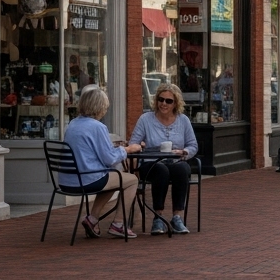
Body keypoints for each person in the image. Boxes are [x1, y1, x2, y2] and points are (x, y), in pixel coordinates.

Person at [64, 88, 140, 239]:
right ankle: (118, 224)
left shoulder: (72, 124)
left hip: (67, 180)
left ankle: (92, 219)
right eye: (105, 107)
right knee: (131, 180)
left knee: (113, 177)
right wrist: (129, 149)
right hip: (86, 179)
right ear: (100, 107)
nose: (105, 110)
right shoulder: (98, 127)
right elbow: (110, 159)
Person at [128, 83, 198, 234]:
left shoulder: (183, 120)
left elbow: (193, 145)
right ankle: (157, 217)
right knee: (161, 171)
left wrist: (184, 152)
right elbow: (132, 143)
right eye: (161, 99)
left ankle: (177, 217)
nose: (163, 104)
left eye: (168, 101)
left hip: (174, 161)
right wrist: (139, 145)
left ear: (176, 103)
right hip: (151, 164)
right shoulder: (145, 119)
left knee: (182, 168)